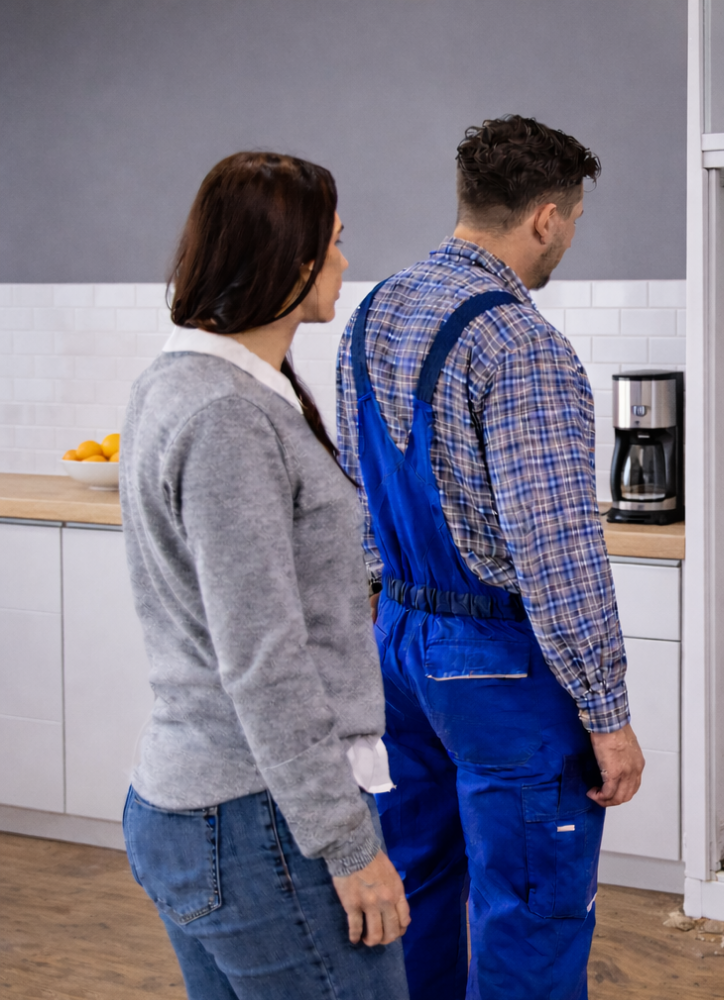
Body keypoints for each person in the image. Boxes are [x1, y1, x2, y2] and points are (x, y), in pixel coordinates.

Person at [335, 115, 644, 999]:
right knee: (532, 908)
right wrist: (607, 714)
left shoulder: (373, 314)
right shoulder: (522, 345)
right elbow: (557, 551)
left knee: (417, 884)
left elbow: (355, 489)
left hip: (397, 646)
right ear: (545, 217)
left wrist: (378, 610)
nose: (568, 237)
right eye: (572, 219)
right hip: (497, 670)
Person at [120, 152, 411, 1000]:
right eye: (336, 242)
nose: (346, 262)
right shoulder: (228, 417)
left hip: (213, 809)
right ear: (290, 260)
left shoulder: (194, 385)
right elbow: (263, 660)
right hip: (256, 823)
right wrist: (349, 846)